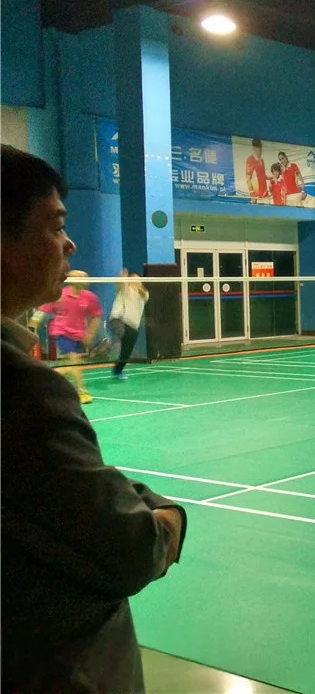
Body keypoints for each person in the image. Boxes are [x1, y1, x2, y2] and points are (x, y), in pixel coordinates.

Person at [1, 144, 187, 692]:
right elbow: (128, 548)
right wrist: (166, 517)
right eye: (56, 225)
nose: (70, 243)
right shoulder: (24, 393)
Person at [29, 269, 102, 404]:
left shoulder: (90, 297)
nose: (85, 280)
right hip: (61, 332)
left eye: (86, 277)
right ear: (72, 280)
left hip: (79, 335)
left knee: (70, 366)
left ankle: (43, 380)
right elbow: (42, 310)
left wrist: (90, 334)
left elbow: (96, 316)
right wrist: (33, 325)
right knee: (74, 360)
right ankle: (82, 391)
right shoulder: (60, 295)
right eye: (81, 277)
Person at [109, 270, 149, 380]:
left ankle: (117, 371)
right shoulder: (126, 289)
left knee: (126, 352)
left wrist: (138, 285)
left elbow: (143, 293)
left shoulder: (144, 293)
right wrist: (122, 278)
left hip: (132, 326)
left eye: (138, 279)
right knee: (123, 335)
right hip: (118, 320)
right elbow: (120, 285)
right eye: (134, 278)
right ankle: (114, 346)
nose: (136, 280)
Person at [245, 138, 268, 203]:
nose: (259, 149)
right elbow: (248, 178)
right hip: (257, 196)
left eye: (260, 147)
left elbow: (262, 176)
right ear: (254, 148)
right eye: (257, 147)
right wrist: (252, 194)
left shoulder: (261, 160)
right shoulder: (251, 159)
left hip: (265, 194)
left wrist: (273, 177)